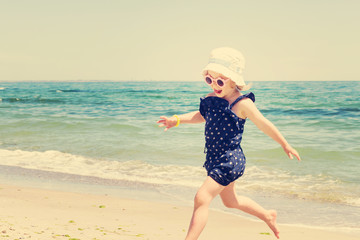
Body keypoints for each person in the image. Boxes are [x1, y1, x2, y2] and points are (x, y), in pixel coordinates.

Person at [157, 47, 301, 240]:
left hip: (230, 160)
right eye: (209, 79)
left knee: (202, 198)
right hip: (214, 158)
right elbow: (201, 115)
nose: (214, 85)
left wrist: (285, 144)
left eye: (219, 81)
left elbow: (264, 124)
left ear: (233, 80)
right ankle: (267, 215)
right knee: (231, 201)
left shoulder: (242, 104)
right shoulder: (211, 99)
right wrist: (177, 119)